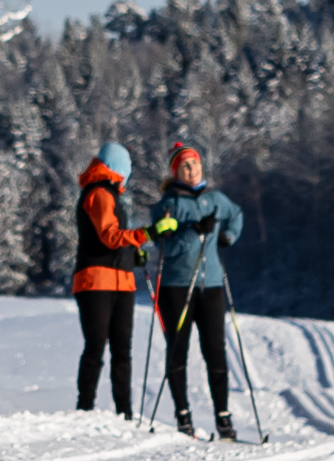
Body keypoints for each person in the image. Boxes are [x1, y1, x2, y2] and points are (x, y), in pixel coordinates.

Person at [145, 141, 247, 439]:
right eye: (185, 166)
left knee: (215, 349)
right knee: (178, 349)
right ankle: (183, 415)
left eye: (195, 163)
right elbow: (164, 246)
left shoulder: (215, 199)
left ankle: (223, 416)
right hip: (177, 285)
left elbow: (236, 213)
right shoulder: (168, 205)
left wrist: (228, 236)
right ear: (175, 171)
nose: (192, 170)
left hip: (212, 284)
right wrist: (192, 233)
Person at [69, 141, 153, 416]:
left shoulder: (109, 193)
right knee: (98, 346)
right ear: (119, 169)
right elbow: (109, 236)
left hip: (120, 280)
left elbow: (117, 240)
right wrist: (144, 236)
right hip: (96, 280)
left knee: (120, 348)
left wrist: (133, 253)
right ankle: (86, 408)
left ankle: (124, 412)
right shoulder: (99, 192)